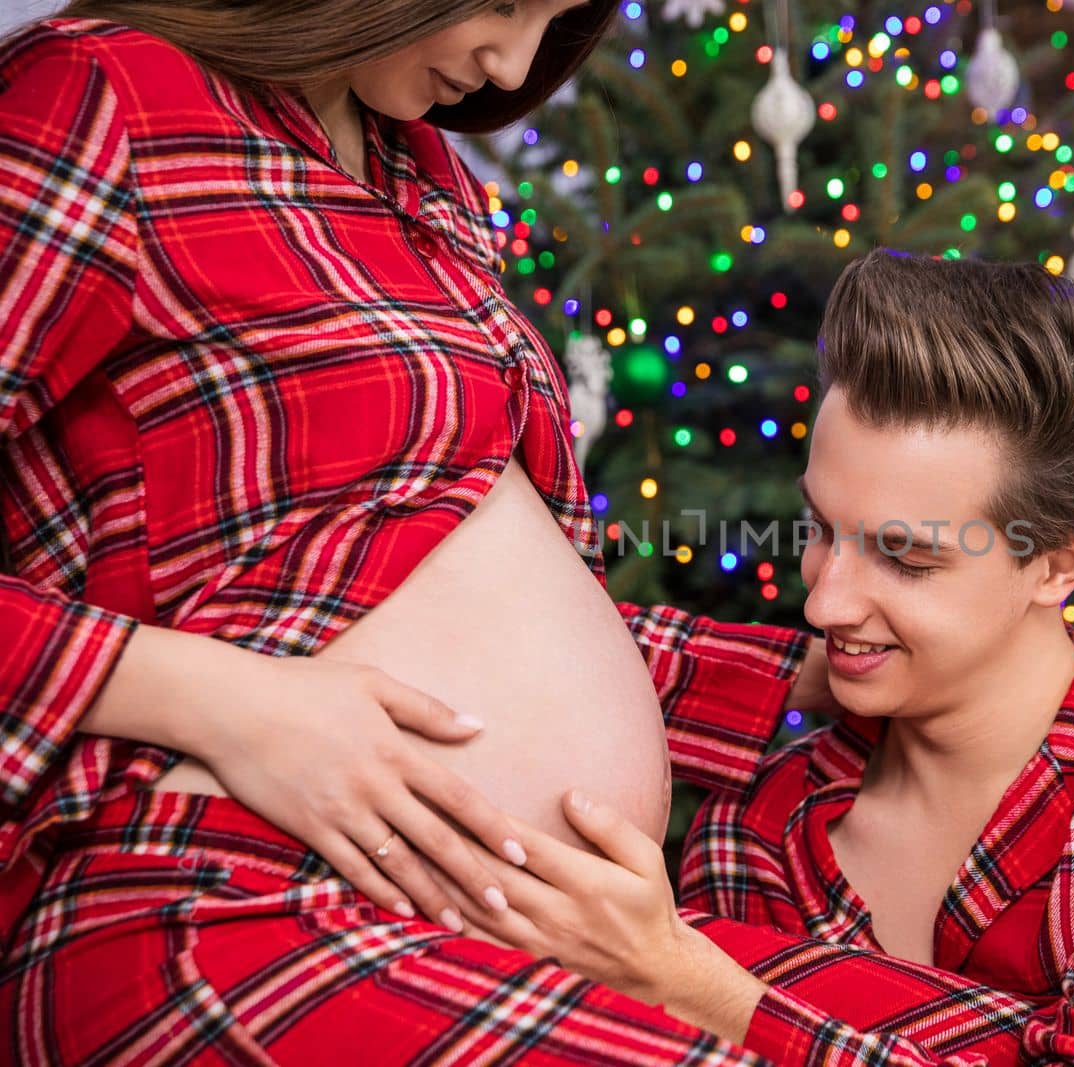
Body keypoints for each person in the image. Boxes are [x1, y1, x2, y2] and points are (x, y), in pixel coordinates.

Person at [0, 3, 916, 1061]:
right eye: (503, 3)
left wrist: (813, 674)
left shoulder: (420, 166)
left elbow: (409, 588)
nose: (511, 64)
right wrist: (227, 700)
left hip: (505, 927)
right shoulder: (106, 95)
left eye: (557, 16)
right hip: (232, 899)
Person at [431, 251, 1074, 1066]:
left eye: (906, 556)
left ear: (1059, 561)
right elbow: (531, 647)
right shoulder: (763, 828)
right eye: (821, 529)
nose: (822, 600)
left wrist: (703, 981)